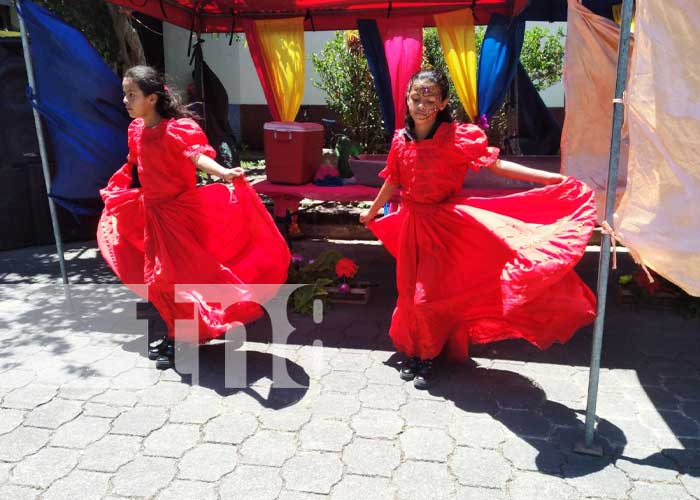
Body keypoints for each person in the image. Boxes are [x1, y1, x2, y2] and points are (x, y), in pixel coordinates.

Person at [360, 70, 597, 389]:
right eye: (416, 98)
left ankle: (428, 357)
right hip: (411, 226)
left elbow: (496, 165)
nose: (421, 105)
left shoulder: (458, 138)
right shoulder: (400, 141)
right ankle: (416, 350)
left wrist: (547, 178)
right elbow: (393, 179)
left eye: (429, 99)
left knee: (426, 298)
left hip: (445, 229)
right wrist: (372, 212)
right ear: (407, 99)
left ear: (443, 102)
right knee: (408, 293)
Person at [98, 65, 290, 369]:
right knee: (159, 282)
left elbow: (198, 157)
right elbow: (134, 163)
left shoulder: (176, 130)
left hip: (180, 217)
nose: (125, 100)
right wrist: (117, 188)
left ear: (151, 98)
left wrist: (226, 173)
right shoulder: (136, 131)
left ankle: (182, 337)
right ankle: (180, 334)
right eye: (125, 94)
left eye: (131, 94)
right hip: (153, 214)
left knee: (172, 280)